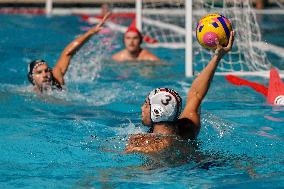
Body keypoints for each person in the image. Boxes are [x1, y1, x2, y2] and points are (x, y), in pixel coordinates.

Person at [125, 31, 235, 154]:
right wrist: (217, 57)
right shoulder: (188, 128)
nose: (142, 107)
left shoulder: (145, 145)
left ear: (156, 112)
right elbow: (196, 94)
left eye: (146, 104)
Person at [27, 13, 110, 93]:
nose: (45, 75)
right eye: (39, 72)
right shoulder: (29, 95)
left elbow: (67, 53)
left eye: (46, 70)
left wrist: (90, 32)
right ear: (31, 78)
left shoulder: (56, 78)